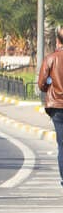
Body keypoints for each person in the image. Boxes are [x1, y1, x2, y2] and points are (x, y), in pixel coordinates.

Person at [37, 28, 63, 187]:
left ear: (58, 41)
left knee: (62, 144)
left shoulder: (51, 58)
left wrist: (50, 87)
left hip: (56, 106)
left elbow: (41, 83)